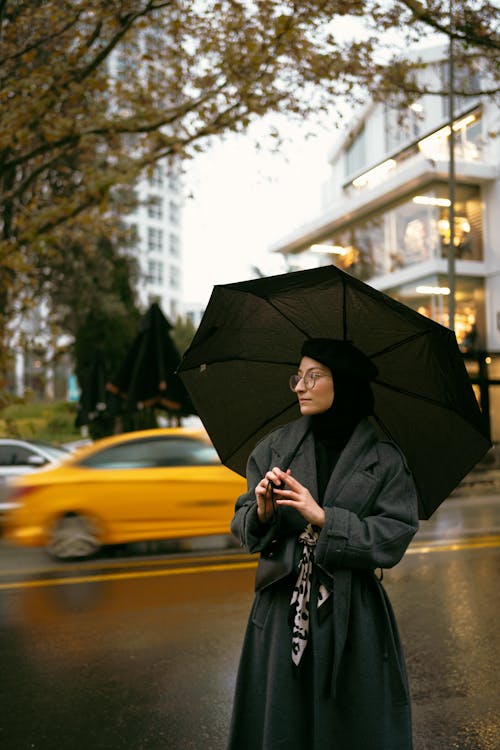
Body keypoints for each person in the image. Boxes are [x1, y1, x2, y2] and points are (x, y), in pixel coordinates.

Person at [227, 338, 419, 750]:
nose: (300, 386)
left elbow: (395, 534)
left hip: (355, 617)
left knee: (353, 727)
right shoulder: (277, 447)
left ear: (344, 384)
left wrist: (326, 520)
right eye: (298, 376)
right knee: (283, 724)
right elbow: (241, 523)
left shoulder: (385, 459)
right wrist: (261, 512)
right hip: (282, 612)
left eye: (313, 376)